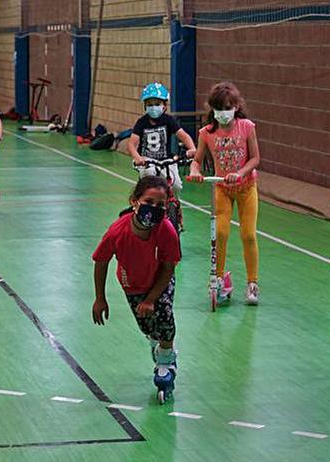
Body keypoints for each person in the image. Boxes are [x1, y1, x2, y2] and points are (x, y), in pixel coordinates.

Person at [92, 176, 182, 401]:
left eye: (160, 205)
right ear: (135, 201)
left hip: (160, 277)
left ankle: (165, 363)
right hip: (132, 282)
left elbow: (169, 266)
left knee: (164, 316)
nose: (154, 208)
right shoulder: (117, 232)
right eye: (149, 202)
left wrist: (152, 298)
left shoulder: (166, 229)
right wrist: (100, 298)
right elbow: (101, 261)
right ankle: (158, 342)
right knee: (146, 325)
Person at [189, 81, 261, 305]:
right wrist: (195, 172)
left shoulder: (247, 127)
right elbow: (197, 160)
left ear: (236, 106)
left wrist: (240, 173)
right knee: (220, 233)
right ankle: (218, 279)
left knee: (248, 235)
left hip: (246, 188)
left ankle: (252, 282)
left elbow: (255, 158)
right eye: (219, 108)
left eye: (228, 107)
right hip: (222, 189)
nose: (223, 113)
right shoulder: (206, 133)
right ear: (212, 109)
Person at [127, 82, 196, 233]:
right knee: (149, 178)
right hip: (147, 160)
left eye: (157, 103)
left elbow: (183, 135)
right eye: (150, 104)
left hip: (166, 160)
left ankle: (176, 210)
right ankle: (143, 208)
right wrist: (138, 157)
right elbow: (132, 143)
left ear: (164, 105)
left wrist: (191, 148)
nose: (153, 107)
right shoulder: (141, 122)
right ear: (145, 106)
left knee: (176, 184)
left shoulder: (168, 120)